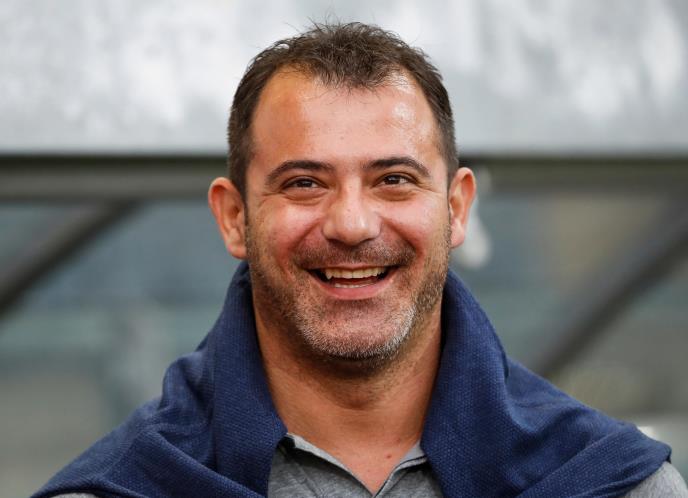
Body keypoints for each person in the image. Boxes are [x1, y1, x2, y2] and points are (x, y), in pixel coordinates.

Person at [35, 22, 687, 498]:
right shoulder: (121, 489)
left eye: (394, 180)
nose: (351, 225)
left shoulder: (615, 484)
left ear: (457, 207)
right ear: (234, 217)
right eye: (304, 183)